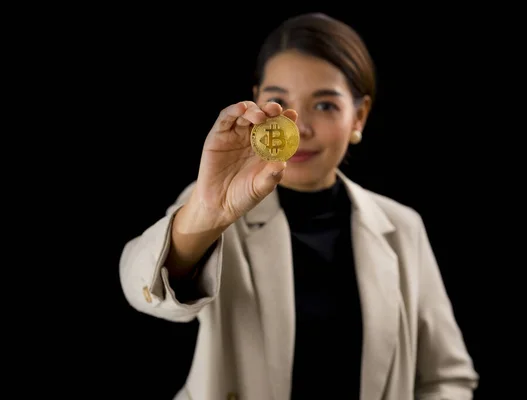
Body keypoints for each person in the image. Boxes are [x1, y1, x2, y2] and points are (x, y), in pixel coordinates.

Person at [119, 12, 479, 400]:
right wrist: (206, 212)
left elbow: (448, 377)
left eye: (324, 106)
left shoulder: (402, 227)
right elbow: (141, 289)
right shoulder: (216, 205)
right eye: (278, 101)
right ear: (256, 104)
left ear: (358, 117)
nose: (299, 127)